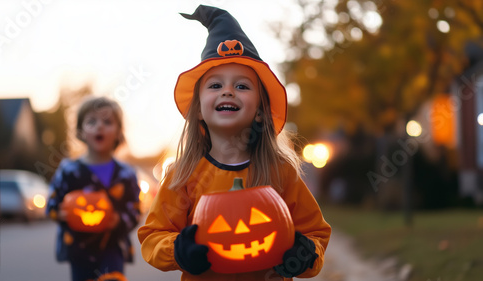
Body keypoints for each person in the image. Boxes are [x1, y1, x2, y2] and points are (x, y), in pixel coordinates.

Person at [138, 5, 331, 281]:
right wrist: (177, 251)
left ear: (261, 110)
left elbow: (316, 233)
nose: (228, 90)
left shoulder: (280, 172)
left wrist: (305, 254)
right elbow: (153, 235)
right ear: (198, 110)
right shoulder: (183, 176)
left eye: (242, 86)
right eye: (215, 86)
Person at [46, 96, 141, 281]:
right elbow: (51, 202)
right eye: (92, 122)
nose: (100, 126)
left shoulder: (126, 174)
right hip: (79, 249)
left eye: (107, 122)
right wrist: (59, 212)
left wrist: (119, 220)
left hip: (114, 248)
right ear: (80, 131)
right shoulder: (69, 171)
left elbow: (135, 210)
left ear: (119, 132)